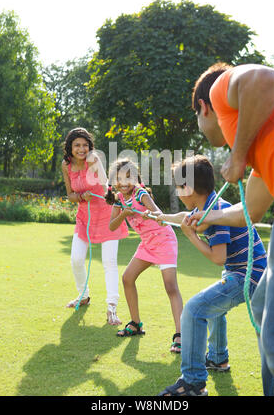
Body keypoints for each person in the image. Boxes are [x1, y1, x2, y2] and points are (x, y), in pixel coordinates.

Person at [189, 62, 274, 396]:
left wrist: (238, 154)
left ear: (204, 108)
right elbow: (249, 212)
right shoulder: (269, 146)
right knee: (263, 308)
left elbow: (264, 78)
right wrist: (209, 217)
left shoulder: (218, 91)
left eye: (196, 118)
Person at [157, 155, 267, 396]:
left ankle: (193, 383)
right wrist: (160, 217)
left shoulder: (215, 213)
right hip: (245, 272)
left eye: (178, 187)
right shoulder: (208, 206)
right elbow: (184, 219)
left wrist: (191, 237)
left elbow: (218, 257)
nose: (177, 193)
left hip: (249, 276)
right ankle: (218, 358)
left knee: (195, 309)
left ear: (188, 188)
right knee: (212, 306)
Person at [105, 158, 183, 353]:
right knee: (127, 278)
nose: (124, 183)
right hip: (147, 244)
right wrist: (124, 213)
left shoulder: (140, 193)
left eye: (128, 178)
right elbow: (112, 226)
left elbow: (159, 214)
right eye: (119, 178)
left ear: (136, 179)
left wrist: (149, 213)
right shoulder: (119, 199)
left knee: (170, 287)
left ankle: (180, 335)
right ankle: (136, 323)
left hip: (163, 240)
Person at [62, 128, 128, 325]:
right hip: (85, 217)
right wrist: (82, 196)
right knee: (75, 259)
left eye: (85, 145)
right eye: (77, 145)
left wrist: (95, 166)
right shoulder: (66, 165)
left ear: (90, 147)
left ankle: (112, 308)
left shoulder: (93, 160)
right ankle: (83, 295)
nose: (81, 149)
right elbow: (70, 195)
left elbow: (105, 183)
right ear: (70, 148)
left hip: (107, 215)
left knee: (109, 262)